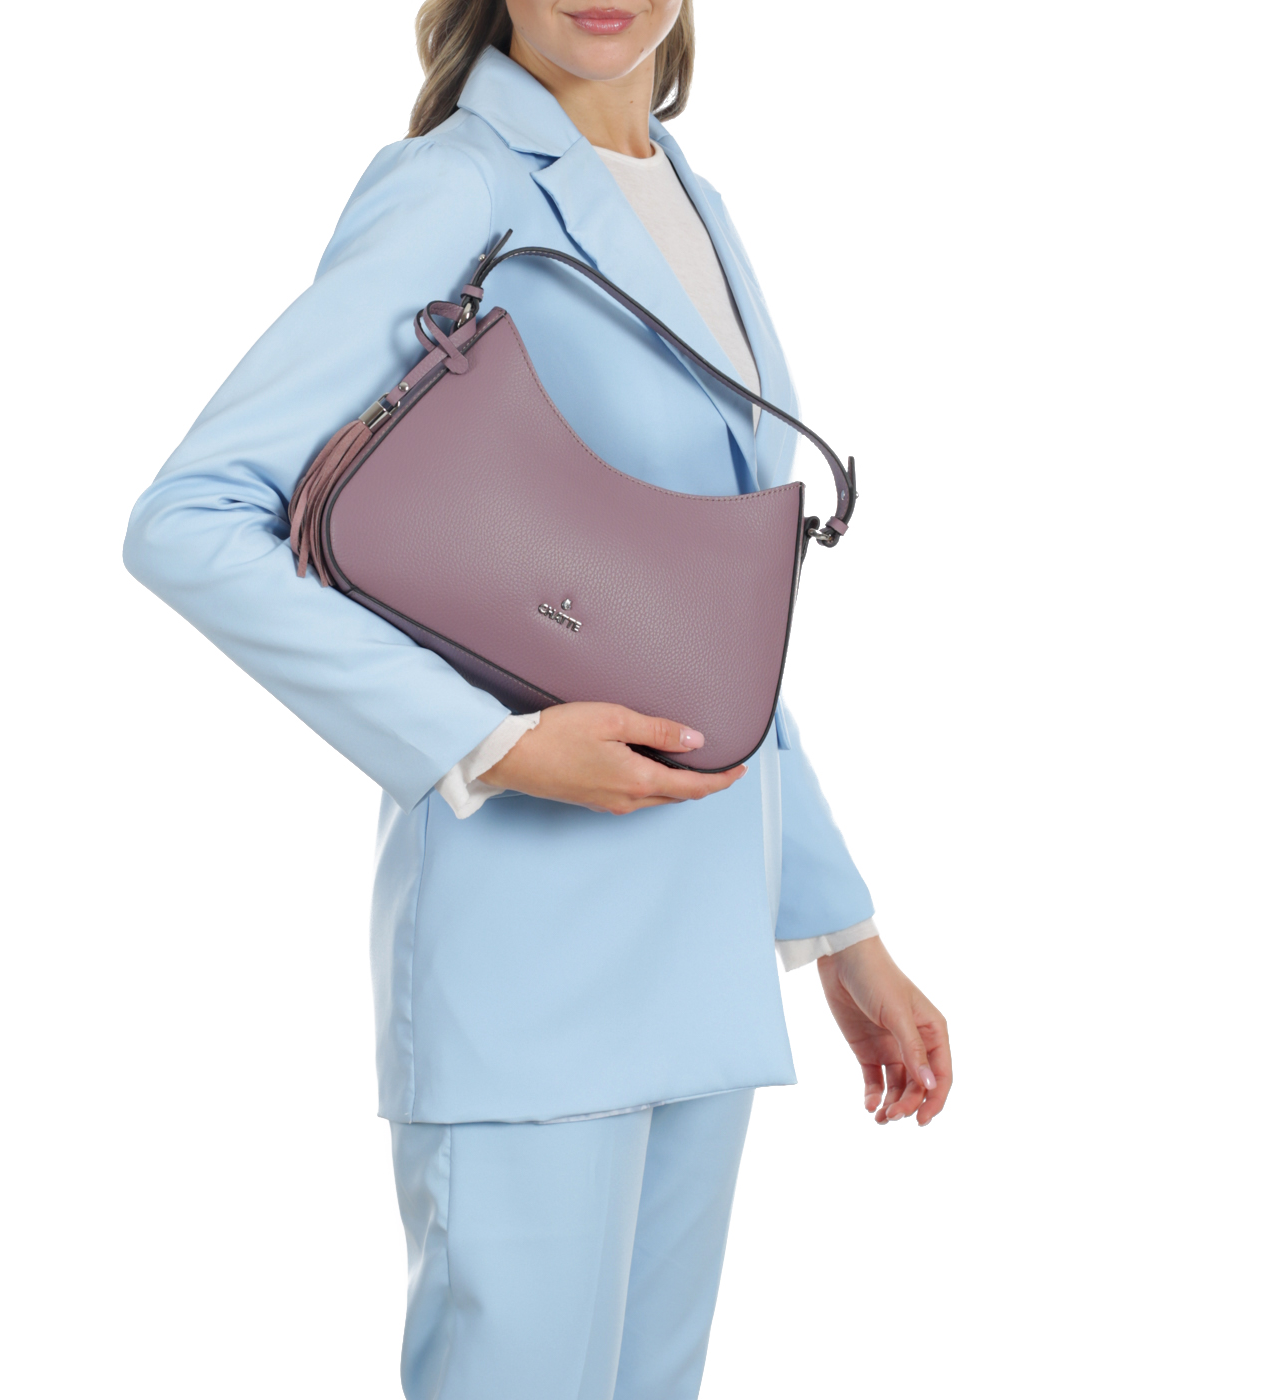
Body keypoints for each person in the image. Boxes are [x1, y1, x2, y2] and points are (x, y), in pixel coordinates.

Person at [123, 2, 952, 1396]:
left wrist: (842, 935)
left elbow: (707, 627)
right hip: (531, 972)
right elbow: (190, 519)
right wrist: (488, 743)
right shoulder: (456, 184)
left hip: (705, 969)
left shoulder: (694, 198)